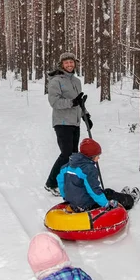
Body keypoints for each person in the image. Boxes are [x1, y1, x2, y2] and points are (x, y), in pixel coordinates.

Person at [44, 53, 92, 197]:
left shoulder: (76, 81)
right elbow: (54, 102)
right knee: (66, 154)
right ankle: (50, 183)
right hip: (62, 122)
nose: (69, 65)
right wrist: (72, 102)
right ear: (62, 65)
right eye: (66, 63)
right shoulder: (56, 81)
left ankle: (67, 181)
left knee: (73, 155)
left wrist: (86, 115)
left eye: (71, 62)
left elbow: (79, 102)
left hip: (74, 122)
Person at [57, 138, 140, 212]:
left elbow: (60, 182)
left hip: (73, 202)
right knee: (108, 193)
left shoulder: (66, 166)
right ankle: (130, 199)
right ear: (91, 156)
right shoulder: (89, 169)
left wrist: (66, 197)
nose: (98, 158)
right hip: (86, 204)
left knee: (104, 193)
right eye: (97, 156)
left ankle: (122, 196)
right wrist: (105, 204)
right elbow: (93, 190)